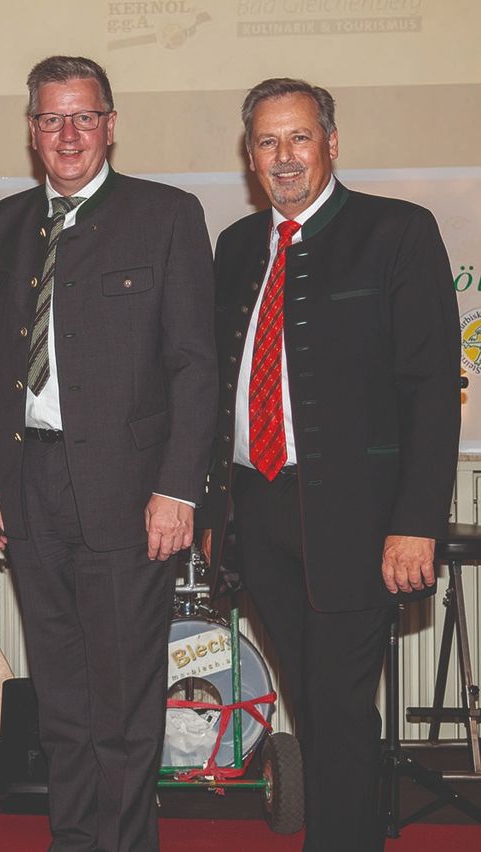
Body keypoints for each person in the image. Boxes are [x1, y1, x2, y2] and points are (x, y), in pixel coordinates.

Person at [0, 56, 216, 851]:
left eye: (83, 117)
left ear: (110, 124)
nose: (67, 134)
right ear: (32, 130)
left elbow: (196, 366)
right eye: (51, 118)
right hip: (27, 488)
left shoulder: (165, 216)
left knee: (123, 703)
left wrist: (179, 488)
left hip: (130, 496)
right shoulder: (3, 224)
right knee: (63, 701)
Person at [201, 78, 459, 851]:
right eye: (268, 142)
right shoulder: (235, 246)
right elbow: (216, 384)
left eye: (300, 137)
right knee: (313, 705)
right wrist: (215, 511)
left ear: (332, 144)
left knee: (340, 707)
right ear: (250, 156)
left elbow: (431, 389)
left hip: (361, 521)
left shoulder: (398, 232)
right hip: (258, 510)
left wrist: (416, 522)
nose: (284, 156)